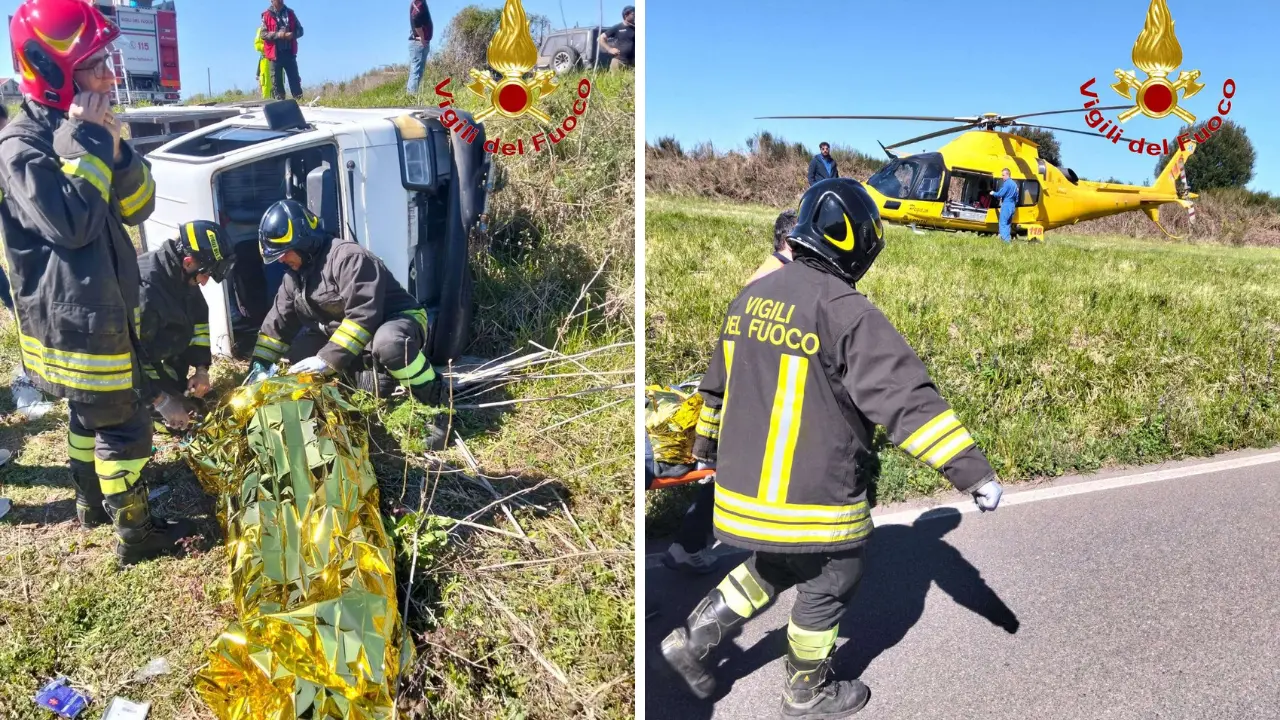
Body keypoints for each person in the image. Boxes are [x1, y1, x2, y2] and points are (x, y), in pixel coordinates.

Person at [660, 178, 1005, 718]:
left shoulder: (750, 298)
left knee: (774, 565)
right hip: (813, 494)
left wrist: (703, 449)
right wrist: (973, 472)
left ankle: (693, 637)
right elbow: (905, 399)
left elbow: (714, 386)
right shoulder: (847, 311)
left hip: (742, 490)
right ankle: (806, 692)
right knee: (833, 575)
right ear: (856, 244)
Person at [1, 0, 196, 565]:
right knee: (124, 425)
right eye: (94, 65)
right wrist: (89, 142)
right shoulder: (21, 146)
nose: (110, 76)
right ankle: (137, 534)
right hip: (77, 321)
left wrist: (115, 148)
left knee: (89, 414)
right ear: (53, 70)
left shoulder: (89, 130)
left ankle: (90, 502)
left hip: (101, 307)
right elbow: (74, 224)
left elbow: (139, 207)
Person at [245, 200, 449, 448]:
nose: (280, 260)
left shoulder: (348, 258)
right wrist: (259, 366)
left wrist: (326, 360)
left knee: (389, 345)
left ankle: (437, 403)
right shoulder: (294, 277)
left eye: (284, 252)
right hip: (354, 336)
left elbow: (363, 317)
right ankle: (369, 380)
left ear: (304, 240)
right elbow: (277, 326)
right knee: (296, 355)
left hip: (395, 321)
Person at [137, 221, 236, 433]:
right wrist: (162, 401)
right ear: (189, 262)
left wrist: (201, 369)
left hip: (159, 356)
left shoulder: (181, 274)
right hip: (135, 370)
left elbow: (199, 323)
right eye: (206, 274)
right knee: (176, 421)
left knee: (191, 407)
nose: (204, 282)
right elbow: (130, 359)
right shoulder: (146, 290)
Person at [261, 0, 304, 101]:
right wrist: (279, 35)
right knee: (277, 86)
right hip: (275, 56)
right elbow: (263, 34)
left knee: (295, 83)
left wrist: (292, 35)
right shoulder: (266, 15)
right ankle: (281, 108)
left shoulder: (290, 13)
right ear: (271, 1)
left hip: (289, 53)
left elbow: (301, 30)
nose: (280, 1)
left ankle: (299, 105)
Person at [407, 0, 434, 95]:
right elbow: (415, 17)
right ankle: (411, 97)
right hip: (418, 43)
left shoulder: (419, 3)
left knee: (418, 72)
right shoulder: (419, 3)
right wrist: (422, 38)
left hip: (419, 43)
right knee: (416, 71)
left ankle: (413, 97)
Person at [598, 6, 636, 70]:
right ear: (626, 15)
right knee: (615, 80)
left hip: (633, 64)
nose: (636, 16)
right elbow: (601, 38)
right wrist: (609, 49)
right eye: (634, 14)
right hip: (619, 62)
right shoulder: (618, 27)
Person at [990, 168, 1018, 243]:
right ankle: (1008, 240)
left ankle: (1006, 242)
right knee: (1008, 224)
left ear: (1007, 175)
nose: (1002, 177)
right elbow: (1017, 198)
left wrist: (993, 193)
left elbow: (1000, 194)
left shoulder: (1007, 183)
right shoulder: (1014, 184)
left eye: (1003, 175)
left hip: (1006, 205)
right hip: (1012, 206)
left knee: (1002, 223)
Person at [254, 27, 272, 100]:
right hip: (265, 59)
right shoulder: (261, 29)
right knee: (265, 83)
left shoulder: (280, 26)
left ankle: (279, 102)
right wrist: (269, 48)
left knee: (278, 82)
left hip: (278, 58)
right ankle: (266, 102)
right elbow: (257, 45)